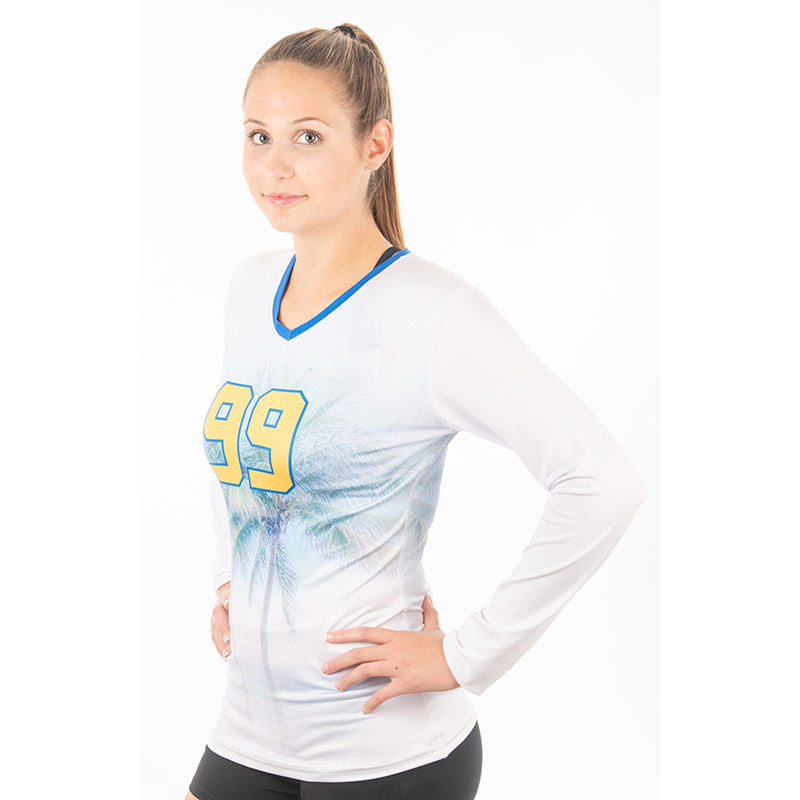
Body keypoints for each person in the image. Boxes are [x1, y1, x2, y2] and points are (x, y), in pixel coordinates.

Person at [186, 22, 647, 800]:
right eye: (259, 135)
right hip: (251, 729)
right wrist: (231, 577)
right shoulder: (249, 287)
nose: (274, 164)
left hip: (385, 748)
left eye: (307, 136)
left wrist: (466, 656)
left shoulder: (435, 315)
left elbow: (604, 482)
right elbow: (242, 449)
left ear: (375, 145)